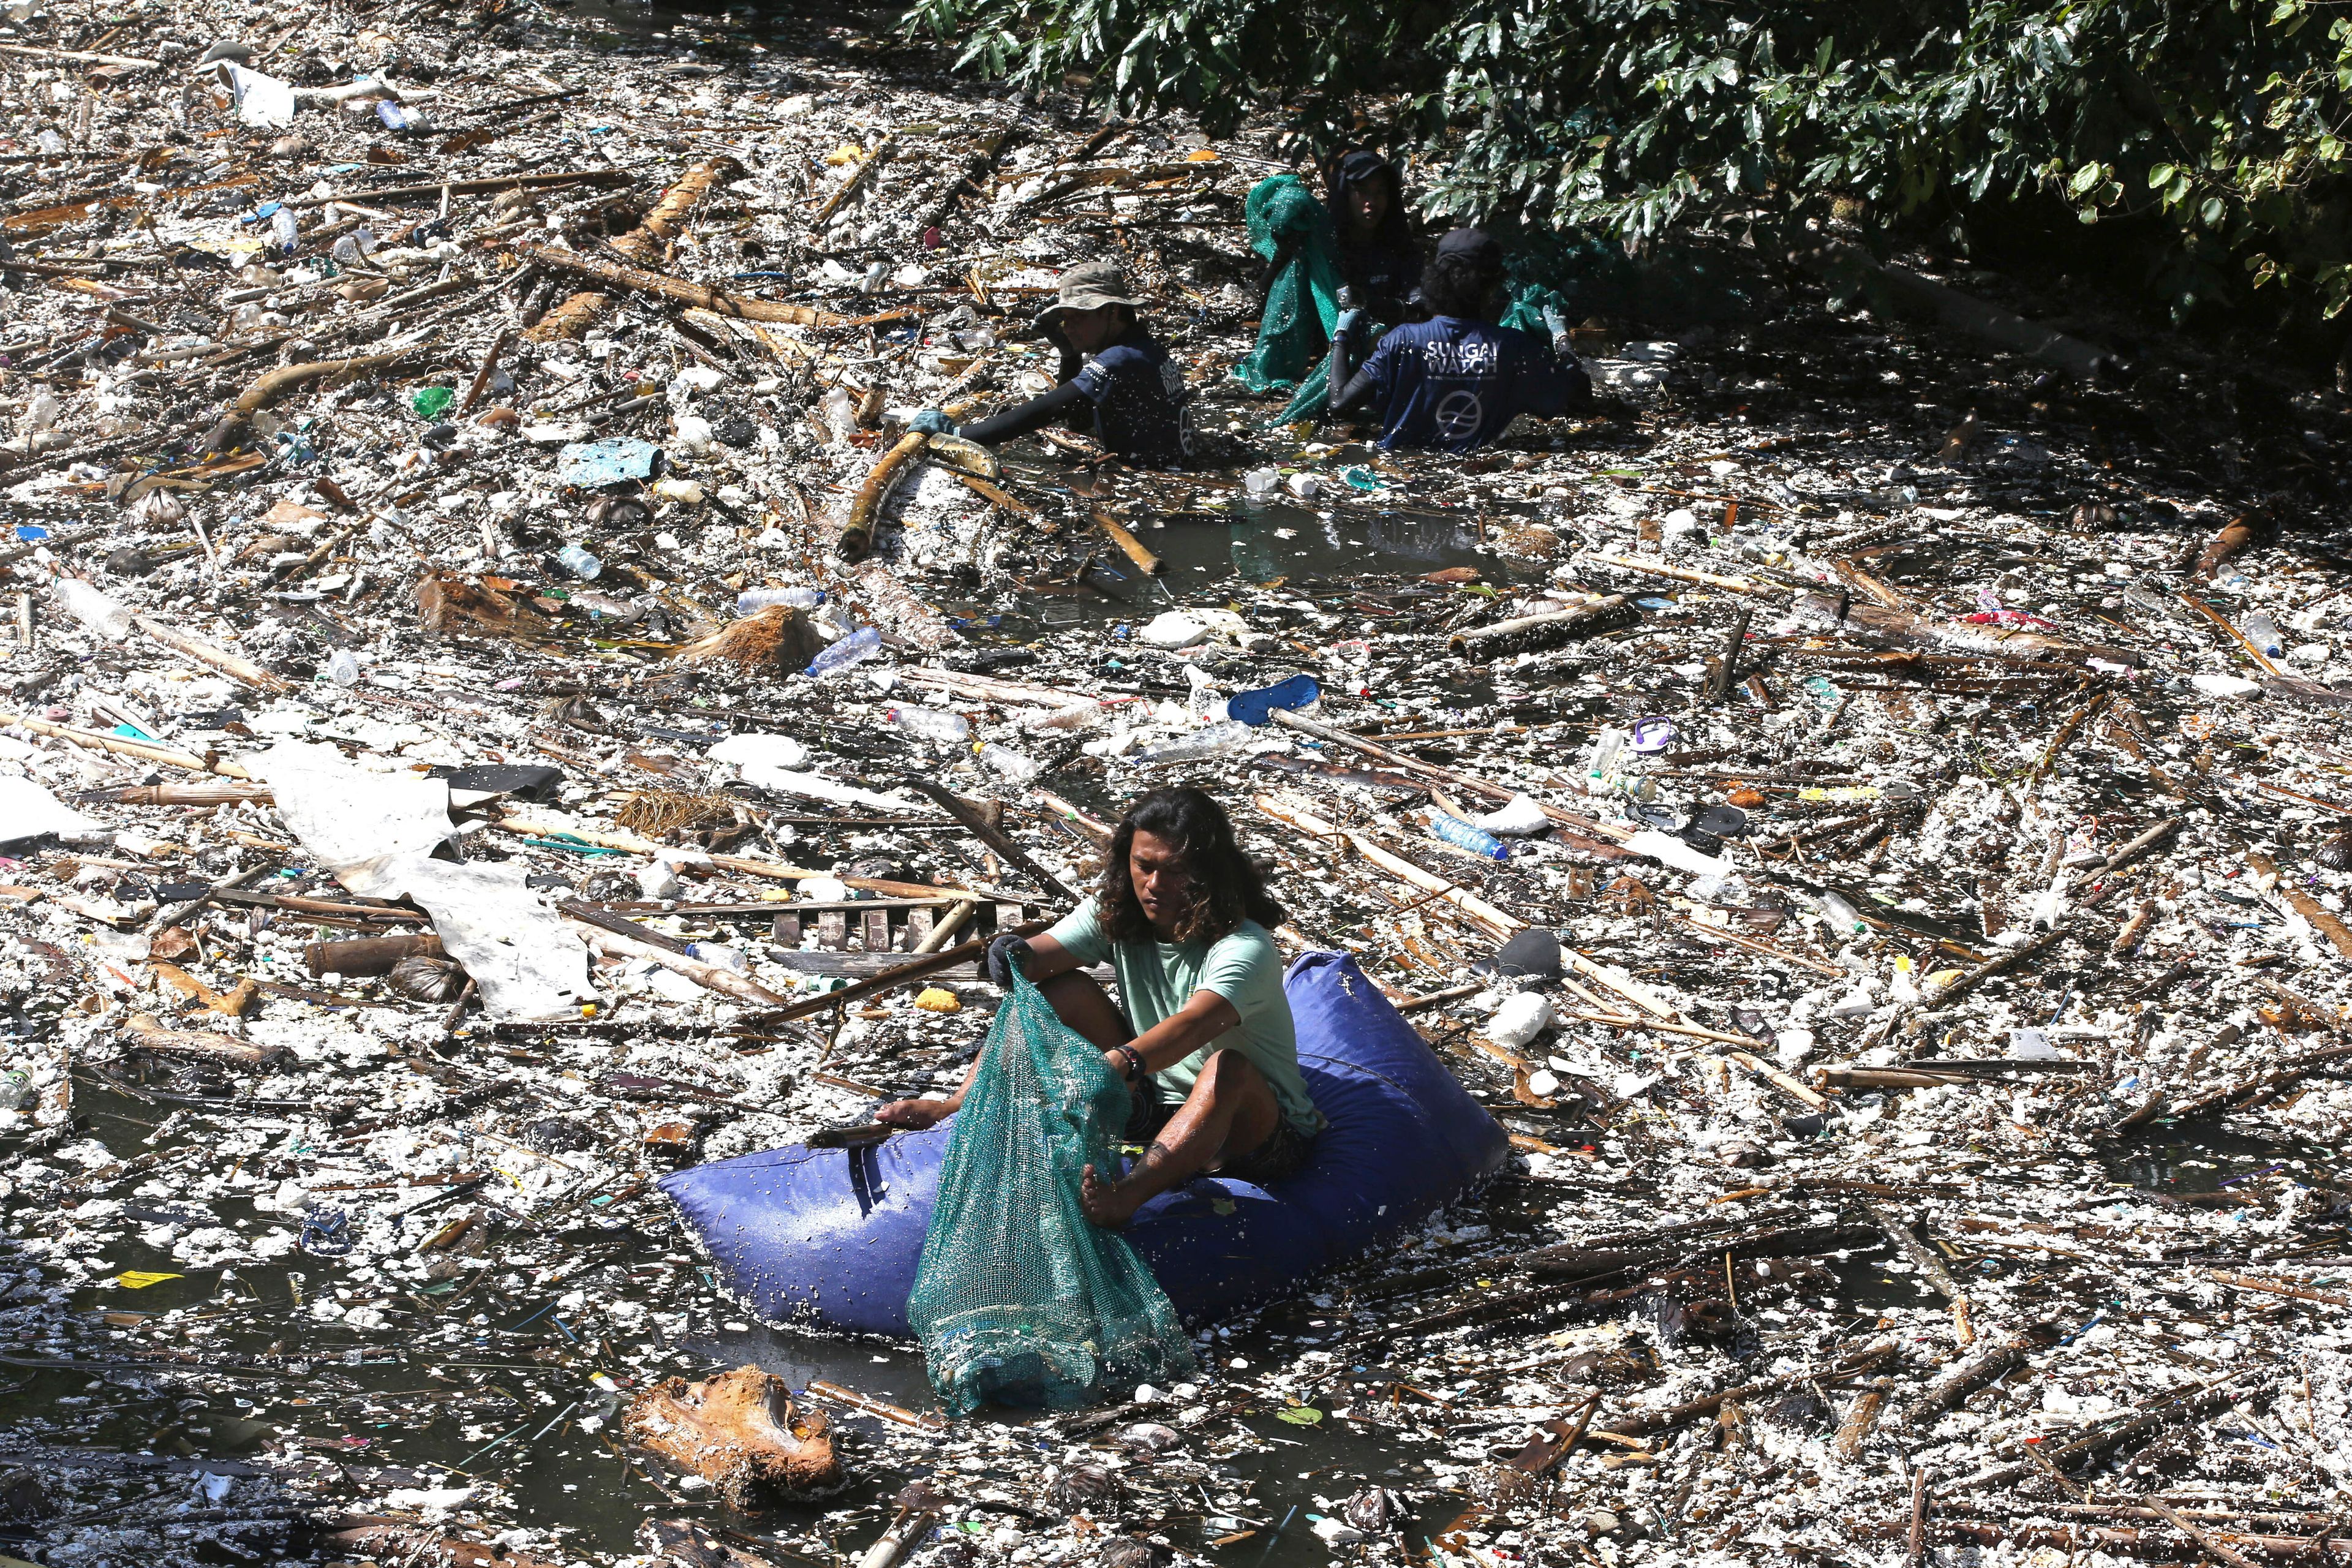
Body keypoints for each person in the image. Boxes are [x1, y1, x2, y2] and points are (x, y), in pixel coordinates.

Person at [876, 787, 1322, 1228]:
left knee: (1228, 1068)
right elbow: (1044, 957)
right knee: (1062, 988)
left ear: (1209, 872)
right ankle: (958, 1104)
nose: (1155, 886)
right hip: (1151, 1103)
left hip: (1250, 1132)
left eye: (1176, 871)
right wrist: (1014, 956)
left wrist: (1123, 1061)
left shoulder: (1244, 946)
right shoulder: (1117, 912)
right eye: (1144, 867)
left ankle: (1130, 1195)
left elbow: (1195, 1023)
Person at [1324, 227, 1593, 453]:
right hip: (1477, 475)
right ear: (1492, 285)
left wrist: (1342, 335)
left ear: (1435, 278)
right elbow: (1577, 393)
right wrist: (1561, 339)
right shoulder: (1514, 348)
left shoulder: (1402, 340)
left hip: (1403, 470)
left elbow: (1338, 404)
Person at [910, 258, 1191, 467]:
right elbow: (1079, 419)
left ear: (1112, 311)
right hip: (1175, 467)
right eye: (1065, 319)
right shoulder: (1147, 349)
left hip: (1161, 478)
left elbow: (1048, 411)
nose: (1068, 327)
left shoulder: (1120, 359)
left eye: (1078, 317)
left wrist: (959, 434)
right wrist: (1070, 355)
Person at [1324, 149, 1422, 324]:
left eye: (1380, 192)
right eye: (1362, 192)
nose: (1372, 203)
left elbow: (1418, 303)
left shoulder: (1399, 246)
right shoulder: (1326, 251)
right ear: (1345, 195)